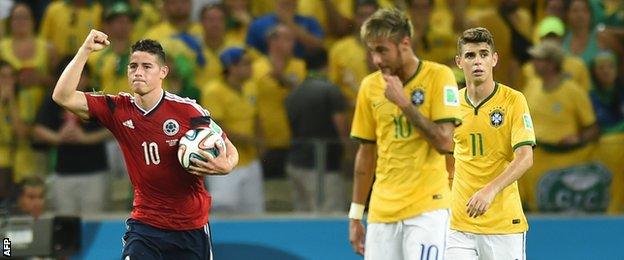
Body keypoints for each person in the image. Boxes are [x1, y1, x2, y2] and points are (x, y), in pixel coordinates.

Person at [52, 29, 239, 258]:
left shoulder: (187, 110)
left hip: (190, 227)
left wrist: (227, 164)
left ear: (163, 72)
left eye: (146, 66)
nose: (138, 72)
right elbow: (62, 96)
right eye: (133, 66)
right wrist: (85, 50)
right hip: (145, 226)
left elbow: (226, 143)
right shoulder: (117, 108)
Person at [348, 8, 461, 259]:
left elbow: (445, 142)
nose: (376, 60)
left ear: (405, 44)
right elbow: (366, 154)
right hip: (381, 211)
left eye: (382, 50)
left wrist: (404, 104)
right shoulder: (370, 86)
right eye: (372, 51)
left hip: (427, 208)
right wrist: (356, 215)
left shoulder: (439, 76)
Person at [447, 27, 535, 259]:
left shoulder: (513, 101)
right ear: (459, 61)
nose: (478, 61)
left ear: (494, 59)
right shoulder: (452, 104)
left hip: (503, 224)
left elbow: (525, 157)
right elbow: (446, 156)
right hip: (458, 225)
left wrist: (490, 190)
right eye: (470, 55)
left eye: (484, 54)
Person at [33, 58, 111, 215]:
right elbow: (38, 128)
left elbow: (112, 129)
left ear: (88, 77)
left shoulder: (98, 97)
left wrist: (86, 139)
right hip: (63, 172)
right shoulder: (54, 98)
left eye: (81, 75)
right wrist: (58, 138)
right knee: (64, 222)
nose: (76, 79)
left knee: (93, 222)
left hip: (95, 171)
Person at [201, 47, 264, 214]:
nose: (251, 67)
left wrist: (259, 142)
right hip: (224, 163)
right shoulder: (214, 91)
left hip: (250, 161)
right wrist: (250, 141)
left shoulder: (251, 87)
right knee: (224, 213)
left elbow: (256, 116)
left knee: (255, 213)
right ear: (232, 67)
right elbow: (216, 128)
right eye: (246, 64)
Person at [285, 47, 348, 212]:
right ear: (327, 64)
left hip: (296, 163)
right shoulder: (330, 90)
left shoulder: (294, 93)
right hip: (323, 168)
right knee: (328, 217)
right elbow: (341, 127)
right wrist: (350, 153)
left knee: (302, 221)